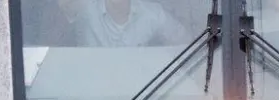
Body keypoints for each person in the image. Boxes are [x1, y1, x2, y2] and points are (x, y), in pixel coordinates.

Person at [56, 0, 193, 48]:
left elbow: (189, 46)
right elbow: (58, 6)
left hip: (138, 98)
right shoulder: (84, 8)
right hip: (90, 99)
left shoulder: (153, 14)